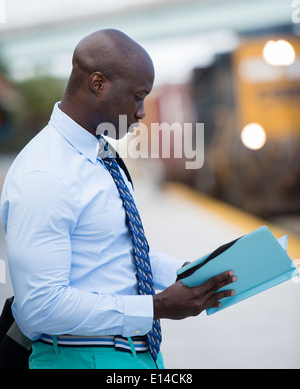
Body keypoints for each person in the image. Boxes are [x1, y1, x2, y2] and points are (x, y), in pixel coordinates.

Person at [0, 29, 236, 369]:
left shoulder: (100, 157)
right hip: (79, 358)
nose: (141, 112)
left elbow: (118, 253)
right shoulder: (45, 174)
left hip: (132, 355)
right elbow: (41, 307)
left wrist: (190, 273)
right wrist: (156, 307)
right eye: (137, 97)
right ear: (98, 84)